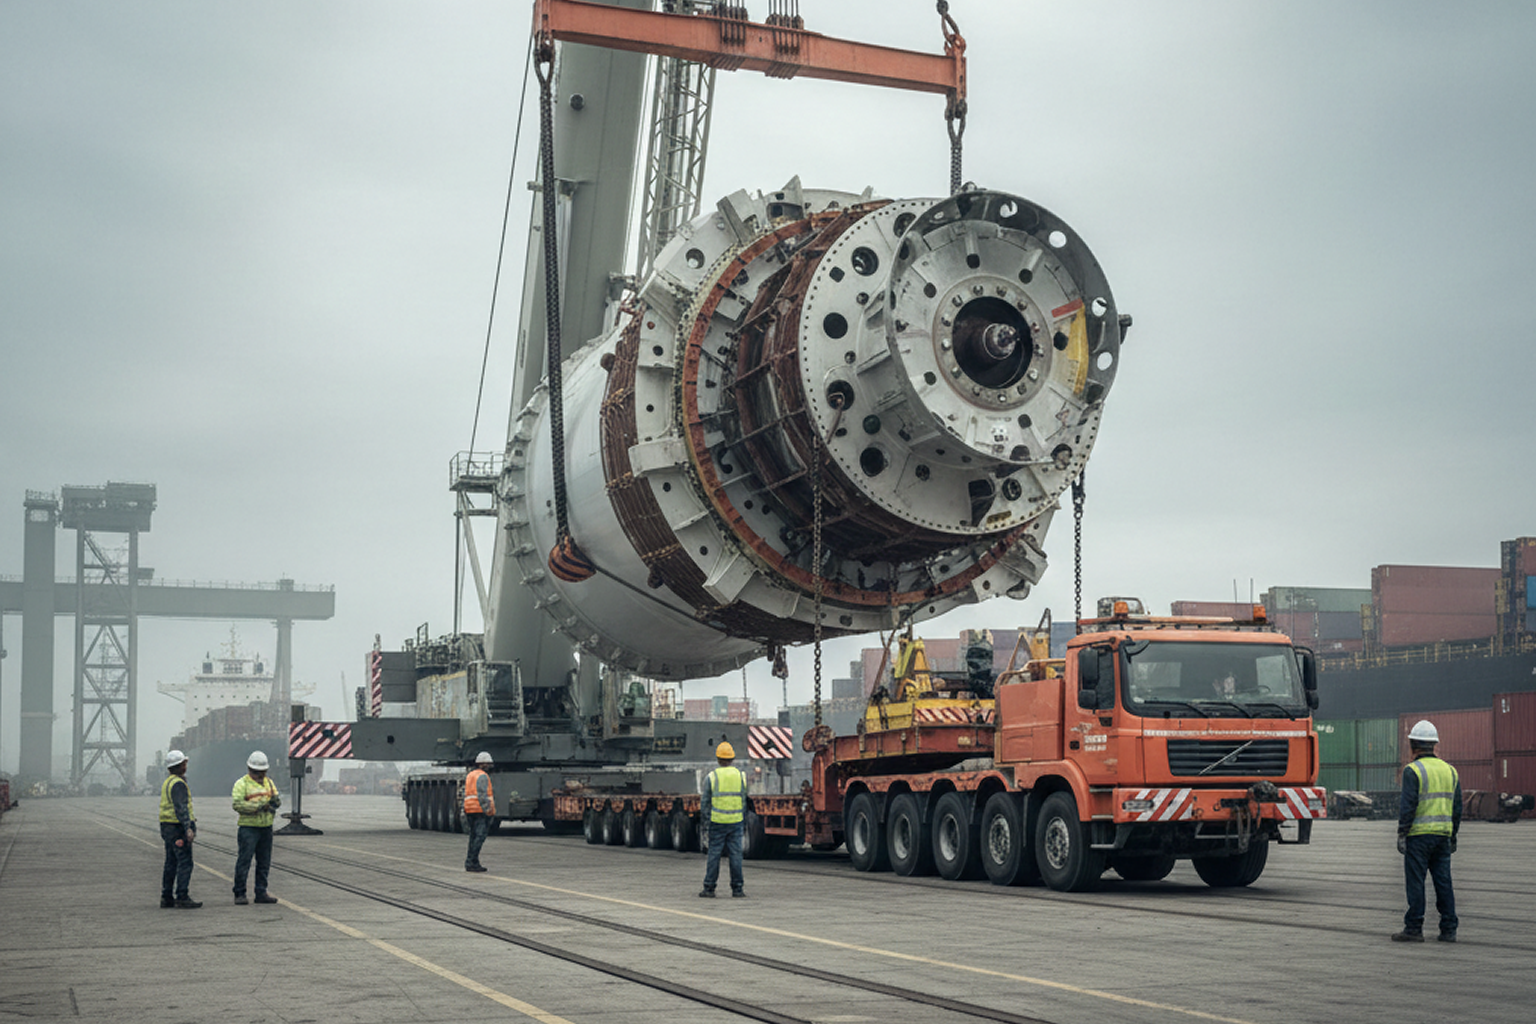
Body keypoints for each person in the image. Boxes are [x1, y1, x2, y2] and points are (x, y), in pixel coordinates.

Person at [1393, 719, 1462, 943]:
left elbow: (1408, 806)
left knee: (1416, 882)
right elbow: (1457, 808)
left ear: (1413, 745)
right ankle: (1449, 929)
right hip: (1442, 836)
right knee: (1443, 882)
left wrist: (1402, 833)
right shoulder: (1450, 771)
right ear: (1434, 745)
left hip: (1418, 836)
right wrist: (1453, 835)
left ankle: (1414, 928)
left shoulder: (1412, 770)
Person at [231, 750, 281, 905]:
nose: (260, 775)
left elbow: (276, 800)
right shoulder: (242, 784)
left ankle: (261, 892)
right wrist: (259, 805)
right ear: (249, 769)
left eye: (262, 772)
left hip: (266, 828)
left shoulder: (269, 782)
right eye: (257, 772)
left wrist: (274, 803)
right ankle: (239, 893)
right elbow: (237, 804)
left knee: (264, 862)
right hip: (248, 828)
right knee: (244, 861)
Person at [699, 741, 748, 898]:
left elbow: (705, 802)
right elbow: (743, 800)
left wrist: (706, 822)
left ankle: (709, 888)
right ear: (732, 759)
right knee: (736, 855)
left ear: (718, 759)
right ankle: (737, 889)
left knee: (714, 854)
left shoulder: (712, 777)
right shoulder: (741, 776)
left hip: (717, 822)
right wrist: (743, 820)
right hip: (736, 821)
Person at [159, 750, 201, 909]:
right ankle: (182, 896)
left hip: (167, 827)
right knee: (185, 862)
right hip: (177, 829)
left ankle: (167, 897)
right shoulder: (178, 784)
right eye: (184, 763)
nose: (186, 765)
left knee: (171, 862)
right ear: (181, 766)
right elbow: (181, 808)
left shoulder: (168, 782)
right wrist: (188, 828)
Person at [463, 751, 496, 873]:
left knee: (473, 837)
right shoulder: (482, 776)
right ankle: (472, 862)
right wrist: (488, 810)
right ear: (484, 764)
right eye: (488, 764)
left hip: (470, 809)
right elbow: (482, 795)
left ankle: (471, 862)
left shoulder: (470, 775)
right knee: (480, 837)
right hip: (479, 810)